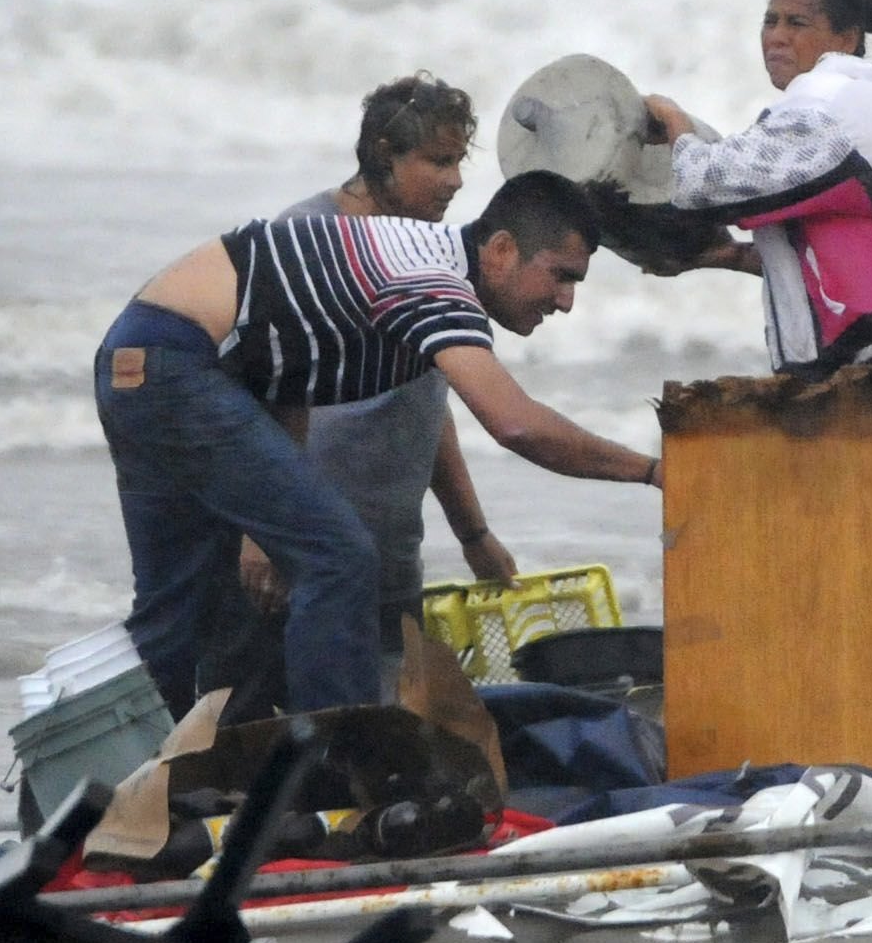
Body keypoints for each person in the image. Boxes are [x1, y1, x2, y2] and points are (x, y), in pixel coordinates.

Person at [97, 161, 658, 718]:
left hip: (135, 360)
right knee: (339, 556)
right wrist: (653, 471)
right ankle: (341, 767)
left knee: (173, 608)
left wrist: (470, 533)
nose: (565, 302)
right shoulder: (433, 280)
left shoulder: (416, 267)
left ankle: (131, 781)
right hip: (175, 360)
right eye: (562, 275)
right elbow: (515, 423)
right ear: (503, 249)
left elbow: (283, 376)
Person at [277, 75, 517, 685]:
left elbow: (426, 404)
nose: (456, 180)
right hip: (299, 557)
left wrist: (474, 533)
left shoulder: (434, 253)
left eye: (459, 161)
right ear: (386, 154)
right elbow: (258, 397)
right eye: (438, 161)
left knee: (377, 737)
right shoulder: (306, 237)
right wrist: (257, 539)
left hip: (390, 559)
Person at [637, 0, 872, 372]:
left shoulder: (827, 104)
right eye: (769, 21)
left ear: (845, 40)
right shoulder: (868, 101)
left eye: (796, 23)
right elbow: (843, 248)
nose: (776, 37)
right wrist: (728, 257)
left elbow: (704, 185)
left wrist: (672, 121)